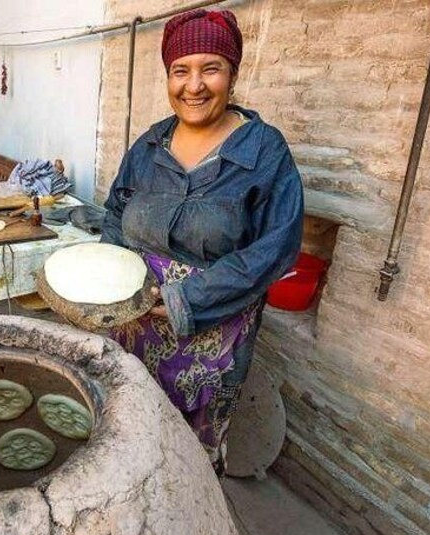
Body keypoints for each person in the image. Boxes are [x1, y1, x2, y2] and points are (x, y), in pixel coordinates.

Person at [101, 9, 304, 475]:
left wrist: (186, 298)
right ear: (168, 77)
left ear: (233, 73)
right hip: (134, 320)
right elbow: (116, 211)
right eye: (180, 71)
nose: (194, 85)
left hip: (213, 330)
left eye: (210, 68)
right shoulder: (150, 145)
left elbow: (275, 249)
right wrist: (110, 277)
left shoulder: (264, 151)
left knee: (188, 452)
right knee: (130, 422)